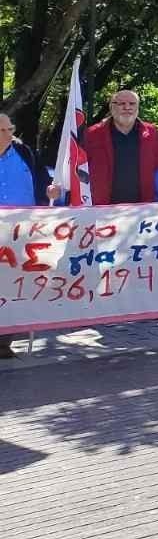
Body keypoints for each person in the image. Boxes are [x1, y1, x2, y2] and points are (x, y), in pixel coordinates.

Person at [0, 113, 57, 359]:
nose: (5, 135)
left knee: (12, 288)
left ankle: (3, 342)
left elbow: (44, 186)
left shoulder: (27, 155)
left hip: (20, 237)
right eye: (0, 130)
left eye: (8, 129)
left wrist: (51, 191)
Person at [83, 90, 158, 206]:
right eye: (121, 104)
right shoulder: (92, 134)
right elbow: (80, 168)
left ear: (138, 107)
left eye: (132, 104)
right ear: (111, 107)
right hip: (102, 208)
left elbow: (157, 162)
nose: (127, 107)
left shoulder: (151, 132)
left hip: (141, 207)